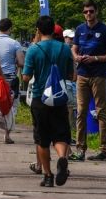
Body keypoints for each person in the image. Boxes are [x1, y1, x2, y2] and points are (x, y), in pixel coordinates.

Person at [23, 15, 74, 187]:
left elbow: (26, 77)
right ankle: (61, 158)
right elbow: (71, 75)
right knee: (61, 134)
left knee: (42, 139)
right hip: (59, 98)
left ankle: (47, 175)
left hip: (40, 98)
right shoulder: (65, 49)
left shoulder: (33, 50)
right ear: (54, 29)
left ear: (38, 30)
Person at [70, 0, 106, 162]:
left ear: (96, 12)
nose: (88, 14)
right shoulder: (79, 29)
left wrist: (95, 58)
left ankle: (104, 150)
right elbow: (74, 49)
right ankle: (80, 149)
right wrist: (77, 58)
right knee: (81, 112)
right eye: (85, 12)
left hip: (98, 75)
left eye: (91, 11)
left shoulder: (105, 30)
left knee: (101, 111)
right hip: (82, 75)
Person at [0, 18, 23, 145]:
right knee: (10, 106)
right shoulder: (15, 43)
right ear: (10, 28)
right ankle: (7, 134)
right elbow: (21, 62)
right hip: (10, 78)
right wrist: (14, 62)